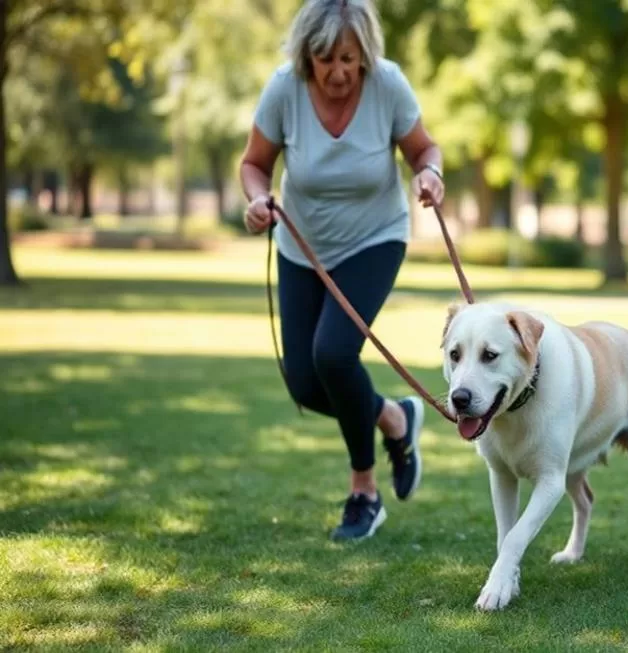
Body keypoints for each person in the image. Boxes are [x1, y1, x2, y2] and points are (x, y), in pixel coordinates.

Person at [238, 0, 445, 541]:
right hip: (300, 246)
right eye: (324, 59)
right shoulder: (284, 88)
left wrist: (429, 176)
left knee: (333, 354)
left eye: (348, 59)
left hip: (374, 239)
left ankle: (364, 493)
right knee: (305, 383)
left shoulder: (388, 85)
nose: (336, 72)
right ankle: (394, 420)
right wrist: (258, 201)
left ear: (365, 55)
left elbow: (424, 150)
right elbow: (254, 164)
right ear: (307, 55)